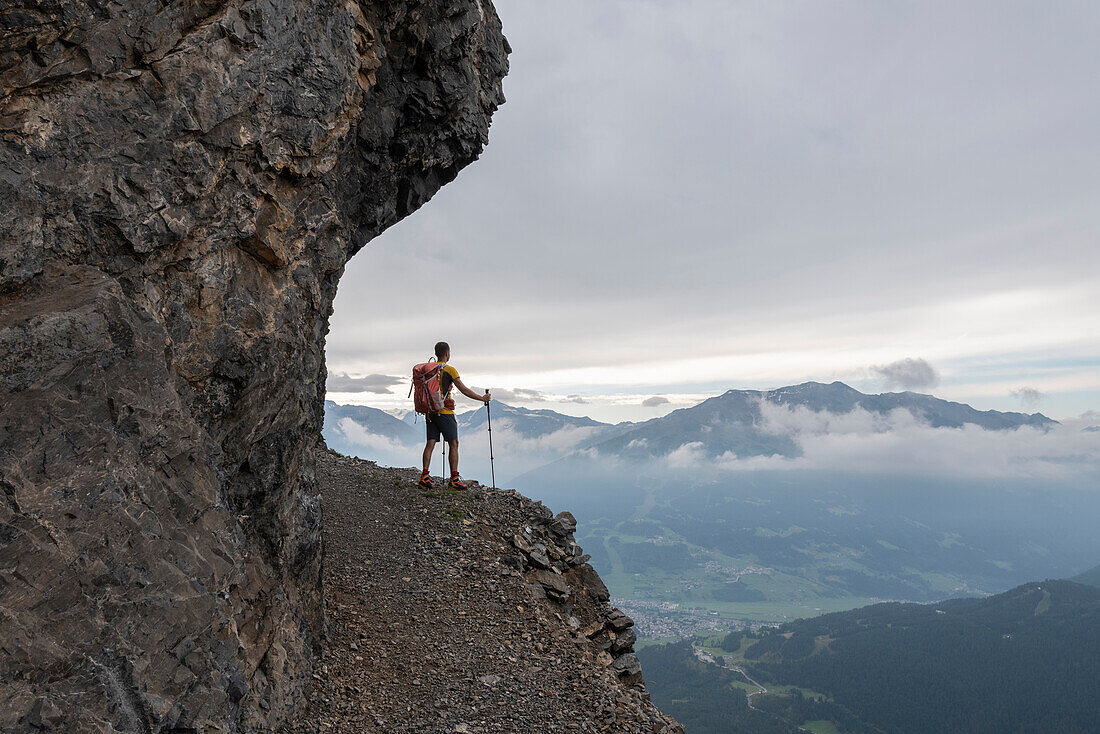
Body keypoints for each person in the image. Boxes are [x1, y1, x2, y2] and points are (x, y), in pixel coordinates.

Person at [420, 341, 490, 490]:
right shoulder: (449, 369)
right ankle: (454, 479)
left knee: (430, 443)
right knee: (454, 443)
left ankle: (424, 477)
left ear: (436, 353)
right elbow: (464, 390)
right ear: (447, 353)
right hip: (445, 412)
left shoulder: (428, 369)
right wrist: (482, 399)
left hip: (430, 412)